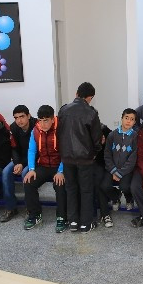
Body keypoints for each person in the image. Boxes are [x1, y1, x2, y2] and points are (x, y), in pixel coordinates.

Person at [58, 82, 102, 233]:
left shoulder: (63, 110)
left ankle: (73, 222)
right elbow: (97, 138)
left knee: (71, 189)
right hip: (85, 158)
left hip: (67, 157)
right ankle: (86, 224)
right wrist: (95, 152)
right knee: (86, 190)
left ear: (76, 94)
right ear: (90, 97)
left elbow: (59, 133)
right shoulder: (91, 112)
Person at [22, 105, 67, 232]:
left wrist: (61, 171)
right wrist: (31, 169)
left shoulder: (62, 129)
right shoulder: (35, 130)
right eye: (40, 120)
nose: (42, 124)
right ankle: (35, 215)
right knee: (29, 182)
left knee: (60, 184)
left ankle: (62, 217)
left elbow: (66, 152)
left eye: (46, 120)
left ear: (53, 119)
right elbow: (31, 150)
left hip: (59, 166)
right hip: (43, 165)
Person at [0, 104, 37, 223]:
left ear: (29, 116)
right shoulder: (13, 127)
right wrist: (17, 163)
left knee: (25, 173)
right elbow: (14, 148)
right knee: (6, 172)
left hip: (35, 159)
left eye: (22, 117)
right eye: (16, 118)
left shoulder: (37, 126)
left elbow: (38, 151)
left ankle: (29, 207)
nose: (19, 120)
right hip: (19, 158)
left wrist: (22, 163)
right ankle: (11, 207)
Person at [102, 108, 138, 214]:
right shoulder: (112, 135)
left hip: (126, 170)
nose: (128, 121)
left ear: (134, 122)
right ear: (121, 118)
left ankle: (129, 198)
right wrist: (113, 170)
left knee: (125, 186)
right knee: (104, 186)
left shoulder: (135, 136)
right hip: (111, 168)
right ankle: (116, 197)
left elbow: (133, 158)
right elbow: (107, 154)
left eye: (132, 119)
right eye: (126, 118)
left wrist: (120, 173)